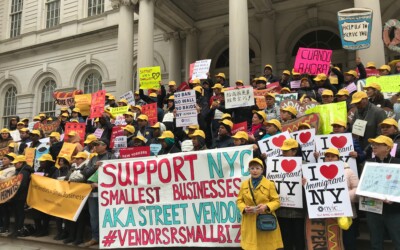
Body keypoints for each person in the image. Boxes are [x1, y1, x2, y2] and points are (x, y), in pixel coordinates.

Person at [236, 158, 283, 250]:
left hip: (266, 220)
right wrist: (244, 208)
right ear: (249, 170)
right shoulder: (244, 184)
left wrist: (266, 206)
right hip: (249, 221)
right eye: (252, 168)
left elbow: (277, 201)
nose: (255, 171)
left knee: (266, 247)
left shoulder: (270, 184)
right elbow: (239, 201)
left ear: (262, 170)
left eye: (257, 168)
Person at [364, 135, 400, 250]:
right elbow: (363, 184)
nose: (374, 146)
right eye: (373, 144)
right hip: (373, 208)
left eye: (378, 144)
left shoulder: (397, 163)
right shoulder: (368, 163)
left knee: (397, 239)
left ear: (388, 148)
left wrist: (394, 199)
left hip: (393, 209)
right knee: (375, 241)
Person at [82, 138, 116, 247]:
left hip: (107, 192)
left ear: (105, 146)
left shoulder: (112, 157)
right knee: (94, 216)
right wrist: (95, 167)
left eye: (97, 145)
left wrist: (101, 185)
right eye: (94, 145)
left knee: (108, 215)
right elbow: (85, 173)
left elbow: (117, 174)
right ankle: (95, 237)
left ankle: (111, 237)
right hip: (93, 192)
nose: (95, 147)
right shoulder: (93, 159)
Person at [323, 147, 359, 250]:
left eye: (333, 156)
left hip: (346, 213)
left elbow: (357, 189)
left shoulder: (348, 171)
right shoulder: (317, 173)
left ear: (338, 158)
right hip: (327, 214)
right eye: (327, 156)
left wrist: (344, 197)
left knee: (348, 240)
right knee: (332, 241)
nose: (330, 158)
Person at [276, 138, 305, 250]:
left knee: (299, 238)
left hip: (298, 210)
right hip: (282, 208)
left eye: (286, 151)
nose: (283, 153)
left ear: (294, 151)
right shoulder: (276, 165)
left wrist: (306, 183)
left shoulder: (304, 165)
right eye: (283, 150)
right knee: (285, 238)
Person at [10, 155, 33, 237]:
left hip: (21, 196)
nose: (14, 165)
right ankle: (16, 229)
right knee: (17, 213)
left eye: (16, 163)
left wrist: (13, 192)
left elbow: (23, 185)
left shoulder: (25, 172)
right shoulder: (19, 170)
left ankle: (19, 229)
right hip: (16, 196)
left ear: (21, 163)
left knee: (20, 213)